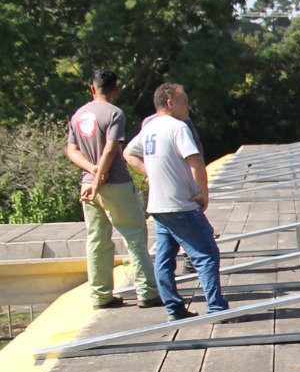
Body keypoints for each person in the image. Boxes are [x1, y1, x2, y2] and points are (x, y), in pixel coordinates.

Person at [125, 84, 228, 321]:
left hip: (158, 206)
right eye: (184, 102)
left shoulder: (149, 128)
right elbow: (196, 162)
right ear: (170, 102)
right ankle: (216, 307)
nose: (188, 107)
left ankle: (173, 308)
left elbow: (129, 153)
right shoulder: (178, 127)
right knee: (206, 254)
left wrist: (148, 172)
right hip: (180, 204)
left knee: (164, 258)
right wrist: (203, 193)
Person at [64, 69, 161, 310]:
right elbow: (110, 149)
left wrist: (92, 170)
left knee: (97, 240)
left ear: (92, 88)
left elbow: (71, 150)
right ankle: (146, 292)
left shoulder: (78, 115)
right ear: (115, 90)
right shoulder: (115, 113)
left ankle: (100, 295)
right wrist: (101, 176)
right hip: (114, 183)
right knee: (134, 236)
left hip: (88, 185)